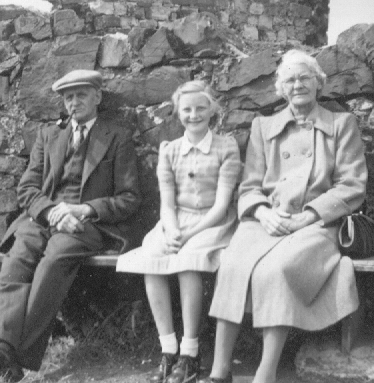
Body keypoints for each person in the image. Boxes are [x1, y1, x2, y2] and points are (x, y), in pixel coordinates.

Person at [199, 49, 368, 383]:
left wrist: (310, 216)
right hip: (267, 220)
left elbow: (352, 185)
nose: (297, 84)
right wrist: (262, 213)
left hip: (317, 223)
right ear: (281, 88)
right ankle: (220, 370)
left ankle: (266, 371)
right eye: (290, 79)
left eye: (305, 77)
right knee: (233, 263)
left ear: (319, 84)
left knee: (277, 269)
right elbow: (249, 186)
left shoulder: (342, 124)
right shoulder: (263, 127)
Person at [0, 69, 141, 382]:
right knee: (17, 258)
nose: (73, 103)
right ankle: (1, 350)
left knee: (53, 262)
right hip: (44, 218)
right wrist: (51, 211)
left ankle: (9, 356)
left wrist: (86, 208)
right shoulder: (49, 135)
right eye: (68, 97)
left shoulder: (117, 136)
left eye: (81, 95)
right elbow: (28, 189)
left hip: (84, 224)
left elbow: (129, 197)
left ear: (97, 97)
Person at [117, 80, 241, 383]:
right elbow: (168, 203)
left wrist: (187, 236)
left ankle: (190, 352)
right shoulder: (169, 150)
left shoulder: (226, 146)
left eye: (201, 108)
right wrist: (171, 230)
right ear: (178, 112)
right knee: (153, 258)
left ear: (212, 110)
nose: (194, 115)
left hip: (213, 223)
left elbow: (221, 206)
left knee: (189, 262)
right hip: (176, 221)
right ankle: (168, 349)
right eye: (187, 109)